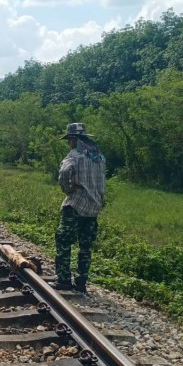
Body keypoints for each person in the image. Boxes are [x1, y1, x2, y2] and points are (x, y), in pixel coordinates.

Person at [50, 123, 106, 293]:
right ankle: (81, 282)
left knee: (64, 241)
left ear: (74, 139)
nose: (69, 143)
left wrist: (68, 188)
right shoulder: (99, 156)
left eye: (69, 140)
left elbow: (64, 172)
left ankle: (64, 279)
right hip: (94, 208)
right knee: (86, 246)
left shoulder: (74, 155)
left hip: (75, 205)